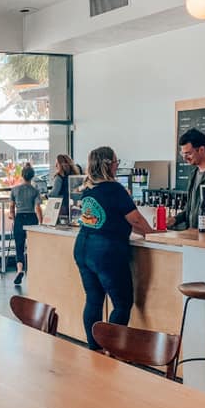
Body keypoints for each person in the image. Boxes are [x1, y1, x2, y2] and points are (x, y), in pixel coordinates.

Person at [73, 146, 153, 351]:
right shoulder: (115, 189)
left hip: (83, 246)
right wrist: (154, 234)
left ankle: (95, 349)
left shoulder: (88, 188)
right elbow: (135, 219)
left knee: (93, 299)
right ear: (108, 165)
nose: (118, 165)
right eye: (117, 162)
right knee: (122, 303)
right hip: (106, 251)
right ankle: (111, 348)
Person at [9, 163, 43, 285]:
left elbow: (11, 208)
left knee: (19, 246)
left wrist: (12, 216)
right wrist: (41, 222)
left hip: (20, 218)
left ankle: (19, 270)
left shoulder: (14, 190)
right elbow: (38, 207)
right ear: (32, 176)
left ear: (22, 175)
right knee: (33, 245)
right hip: (31, 218)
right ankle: (34, 270)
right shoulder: (35, 190)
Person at [50, 154, 82, 222]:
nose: (55, 166)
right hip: (75, 207)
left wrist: (46, 196)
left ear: (61, 165)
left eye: (57, 163)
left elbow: (54, 194)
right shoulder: (75, 175)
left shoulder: (59, 177)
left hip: (62, 208)